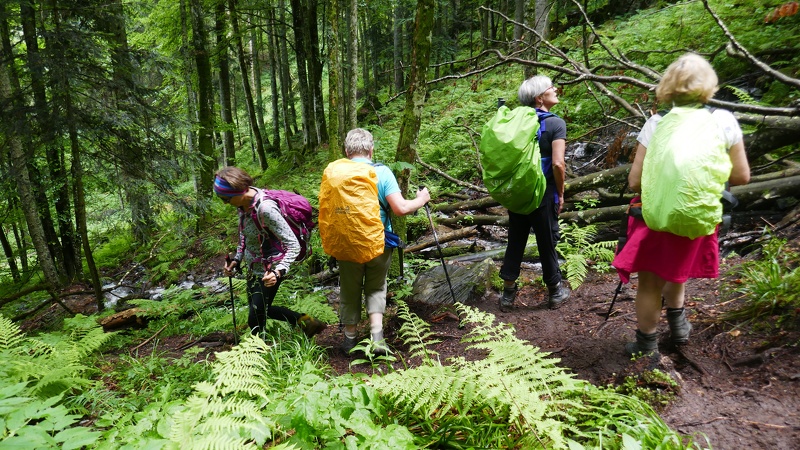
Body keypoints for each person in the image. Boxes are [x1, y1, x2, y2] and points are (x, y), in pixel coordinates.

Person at [614, 53, 750, 356]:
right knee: (678, 270)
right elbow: (741, 175)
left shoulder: (657, 122)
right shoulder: (722, 120)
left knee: (650, 282)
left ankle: (646, 347)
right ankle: (679, 328)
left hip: (657, 217)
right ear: (708, 85)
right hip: (699, 215)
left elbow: (635, 182)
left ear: (669, 87)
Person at [335, 128, 430, 354]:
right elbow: (400, 209)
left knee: (349, 288)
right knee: (376, 287)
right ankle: (377, 339)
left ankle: (349, 339)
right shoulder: (382, 173)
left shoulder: (336, 174)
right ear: (371, 150)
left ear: (347, 151)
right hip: (377, 242)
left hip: (346, 244)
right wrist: (422, 199)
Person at [215, 166, 327, 339]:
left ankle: (259, 355)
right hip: (253, 268)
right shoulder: (243, 206)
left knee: (255, 318)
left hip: (270, 269)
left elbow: (293, 244)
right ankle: (308, 322)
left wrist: (278, 271)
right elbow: (244, 234)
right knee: (261, 310)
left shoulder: (265, 209)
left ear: (239, 192)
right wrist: (236, 260)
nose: (224, 203)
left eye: (226, 199)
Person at [500, 75, 571, 312]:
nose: (556, 90)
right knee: (546, 241)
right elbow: (558, 164)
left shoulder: (515, 122)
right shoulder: (555, 124)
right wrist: (560, 193)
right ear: (540, 97)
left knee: (516, 240)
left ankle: (508, 295)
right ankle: (555, 292)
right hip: (544, 191)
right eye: (551, 88)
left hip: (519, 191)